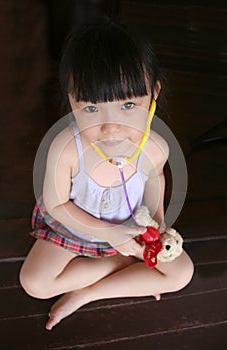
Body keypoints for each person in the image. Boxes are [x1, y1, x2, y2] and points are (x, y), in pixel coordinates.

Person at [19, 16, 194, 331]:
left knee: (182, 273)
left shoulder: (155, 146)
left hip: (130, 228)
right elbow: (58, 207)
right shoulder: (66, 148)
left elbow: (155, 177)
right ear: (71, 101)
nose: (110, 126)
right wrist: (108, 236)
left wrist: (156, 221)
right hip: (76, 229)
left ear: (153, 94)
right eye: (90, 108)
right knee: (34, 281)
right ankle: (120, 266)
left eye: (128, 105)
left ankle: (88, 293)